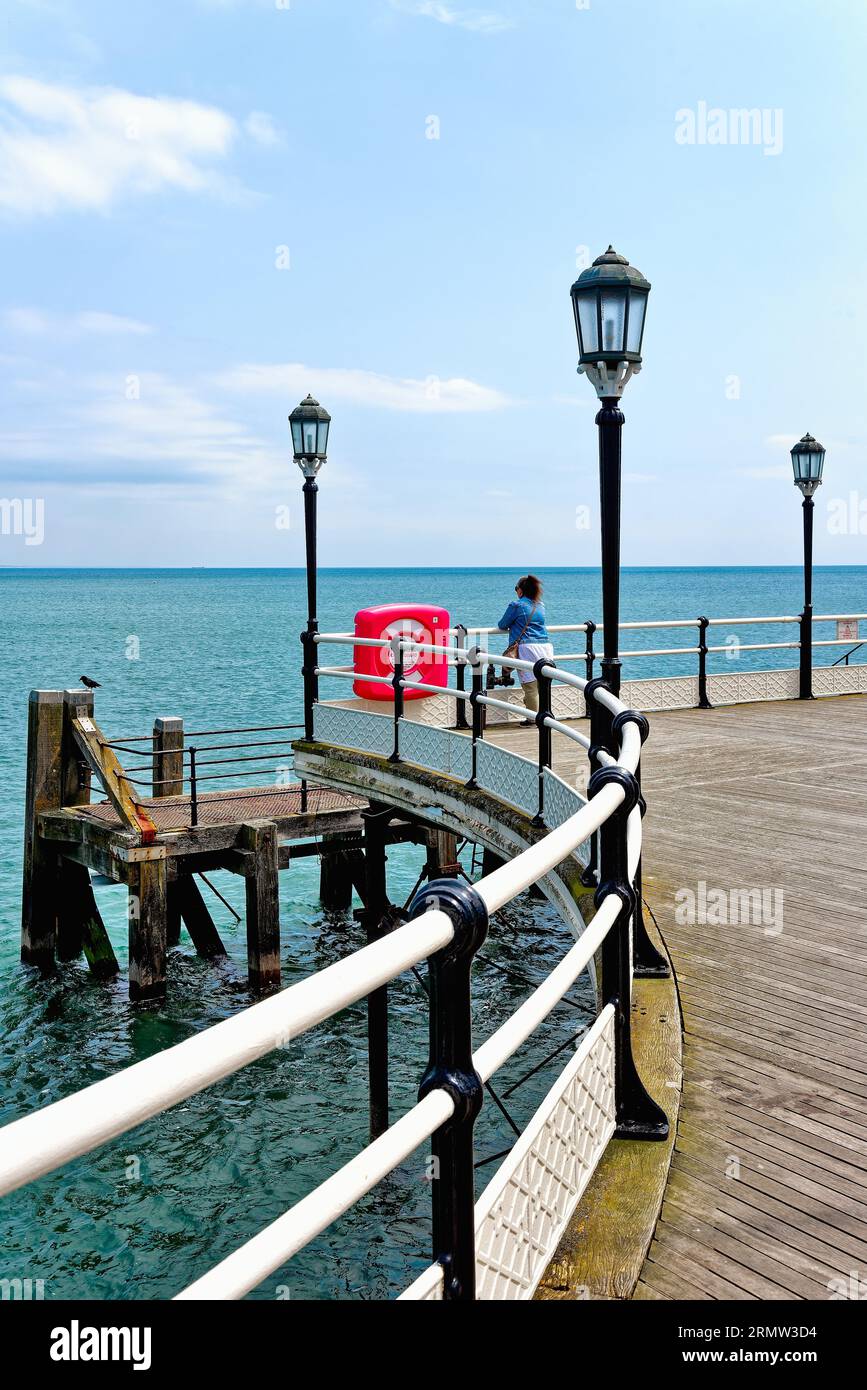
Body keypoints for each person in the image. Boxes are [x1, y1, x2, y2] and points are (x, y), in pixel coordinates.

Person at [497, 575, 554, 718]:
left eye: (516, 589)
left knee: (530, 686)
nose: (516, 591)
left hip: (527, 648)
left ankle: (532, 719)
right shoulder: (540, 606)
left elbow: (502, 624)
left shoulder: (517, 605)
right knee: (542, 684)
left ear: (521, 590)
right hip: (545, 646)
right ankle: (544, 715)